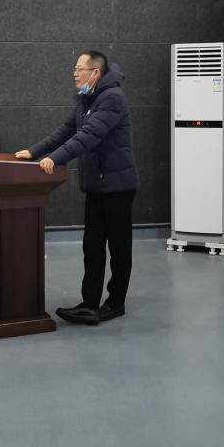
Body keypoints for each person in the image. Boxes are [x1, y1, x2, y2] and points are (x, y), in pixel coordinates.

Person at [16, 50, 139, 326]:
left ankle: (115, 303)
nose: (74, 73)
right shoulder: (87, 98)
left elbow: (88, 136)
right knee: (92, 247)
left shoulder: (112, 98)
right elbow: (65, 131)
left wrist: (54, 159)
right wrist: (33, 151)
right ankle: (89, 304)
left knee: (119, 248)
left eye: (79, 68)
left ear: (95, 72)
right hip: (97, 186)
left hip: (118, 187)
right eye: (74, 68)